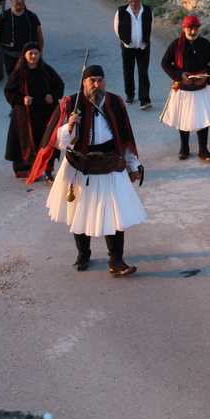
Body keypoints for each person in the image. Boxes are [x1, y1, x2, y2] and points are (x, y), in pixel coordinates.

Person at [35, 64, 146, 276]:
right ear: (84, 83)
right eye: (92, 80)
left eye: (99, 80)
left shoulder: (115, 102)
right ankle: (83, 254)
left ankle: (116, 261)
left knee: (114, 214)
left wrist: (133, 165)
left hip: (109, 164)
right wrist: (68, 127)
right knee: (79, 212)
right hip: (80, 166)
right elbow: (56, 142)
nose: (96, 84)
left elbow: (125, 137)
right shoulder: (70, 103)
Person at [159, 15, 210, 161]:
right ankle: (184, 148)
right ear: (184, 28)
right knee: (183, 118)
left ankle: (203, 150)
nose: (193, 31)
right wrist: (179, 76)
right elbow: (165, 63)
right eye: (190, 28)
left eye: (196, 28)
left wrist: (207, 78)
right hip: (183, 88)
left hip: (201, 87)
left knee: (203, 118)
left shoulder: (205, 44)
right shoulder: (176, 45)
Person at [3, 42, 64, 178]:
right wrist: (21, 99)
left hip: (44, 113)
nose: (34, 56)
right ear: (24, 55)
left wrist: (53, 96)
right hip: (25, 116)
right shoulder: (18, 73)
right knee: (24, 141)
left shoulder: (46, 70)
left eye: (36, 53)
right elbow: (9, 91)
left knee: (46, 140)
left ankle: (47, 168)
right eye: (30, 53)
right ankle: (25, 169)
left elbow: (59, 85)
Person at [0, 0, 44, 76]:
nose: (19, 1)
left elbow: (39, 35)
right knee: (13, 80)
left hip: (29, 58)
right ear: (11, 0)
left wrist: (40, 52)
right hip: (9, 57)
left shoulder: (32, 17)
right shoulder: (3, 17)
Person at [114, 0, 152, 109]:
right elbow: (117, 28)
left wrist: (145, 42)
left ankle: (144, 100)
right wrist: (125, 42)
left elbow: (149, 26)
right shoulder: (121, 11)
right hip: (127, 47)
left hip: (143, 47)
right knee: (128, 71)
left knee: (143, 72)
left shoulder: (147, 10)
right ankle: (130, 94)